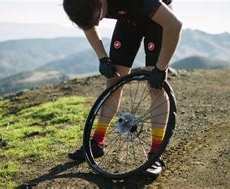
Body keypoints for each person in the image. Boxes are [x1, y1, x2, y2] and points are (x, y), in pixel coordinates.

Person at [63, 0, 182, 176]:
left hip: (158, 21)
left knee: (155, 87)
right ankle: (97, 142)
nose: (96, 24)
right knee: (113, 80)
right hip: (127, 19)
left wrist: (161, 68)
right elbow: (88, 23)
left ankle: (155, 153)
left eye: (96, 17)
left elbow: (175, 25)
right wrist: (103, 58)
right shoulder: (85, 5)